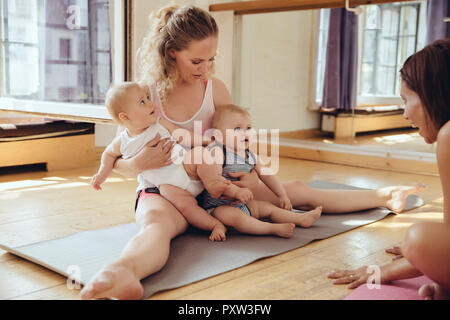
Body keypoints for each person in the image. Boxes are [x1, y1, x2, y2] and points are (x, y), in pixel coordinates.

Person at [80, 4, 424, 300]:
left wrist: (248, 171)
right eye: (196, 60)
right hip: (166, 189)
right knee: (156, 225)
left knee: (296, 190)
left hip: (215, 183)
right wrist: (139, 163)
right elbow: (120, 156)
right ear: (171, 52)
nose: (205, 68)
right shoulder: (145, 94)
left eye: (211, 59)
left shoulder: (213, 88)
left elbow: (236, 138)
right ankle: (123, 272)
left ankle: (384, 195)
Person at [327, 38, 450, 300]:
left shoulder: (449, 134)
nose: (405, 114)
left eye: (407, 99)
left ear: (431, 93)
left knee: (419, 239)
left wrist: (381, 271)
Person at [91, 81, 234, 242]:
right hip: (169, 187)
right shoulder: (122, 141)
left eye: (147, 98)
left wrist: (206, 140)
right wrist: (102, 174)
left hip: (186, 168)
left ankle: (213, 183)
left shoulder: (159, 123)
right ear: (125, 117)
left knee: (200, 154)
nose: (150, 103)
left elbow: (182, 135)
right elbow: (109, 155)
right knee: (186, 207)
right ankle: (214, 225)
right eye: (142, 102)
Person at [195, 103, 323, 238]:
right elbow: (215, 180)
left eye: (248, 128)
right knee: (235, 217)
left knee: (268, 208)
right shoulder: (218, 152)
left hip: (243, 204)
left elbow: (267, 174)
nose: (245, 132)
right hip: (217, 209)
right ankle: (271, 229)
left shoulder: (250, 155)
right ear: (219, 136)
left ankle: (300, 218)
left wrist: (282, 195)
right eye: (237, 129)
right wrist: (236, 191)